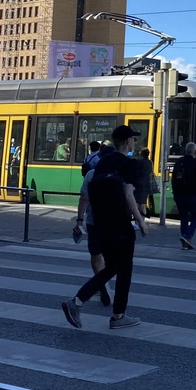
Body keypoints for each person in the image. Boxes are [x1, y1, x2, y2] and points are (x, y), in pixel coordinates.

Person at [62, 125, 149, 330]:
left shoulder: (102, 163)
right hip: (119, 223)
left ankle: (77, 301)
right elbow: (128, 195)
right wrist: (141, 221)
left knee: (112, 267)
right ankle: (118, 316)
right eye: (133, 140)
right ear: (127, 141)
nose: (134, 143)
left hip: (100, 223)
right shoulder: (128, 164)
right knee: (124, 269)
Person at [73, 144, 115, 308]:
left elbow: (84, 198)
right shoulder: (119, 174)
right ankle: (104, 282)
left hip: (93, 222)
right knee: (113, 258)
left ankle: (101, 282)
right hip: (113, 223)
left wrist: (79, 220)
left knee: (96, 255)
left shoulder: (91, 174)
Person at [172, 142, 196, 250]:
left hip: (179, 194)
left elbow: (173, 179)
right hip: (192, 194)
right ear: (195, 152)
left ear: (185, 151)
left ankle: (185, 243)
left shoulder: (179, 162)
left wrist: (174, 193)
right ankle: (187, 236)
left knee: (184, 217)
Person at [134, 147, 155, 218]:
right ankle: (142, 218)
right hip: (146, 184)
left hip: (139, 183)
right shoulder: (150, 162)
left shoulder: (139, 162)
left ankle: (137, 219)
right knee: (143, 203)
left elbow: (136, 172)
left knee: (137, 203)